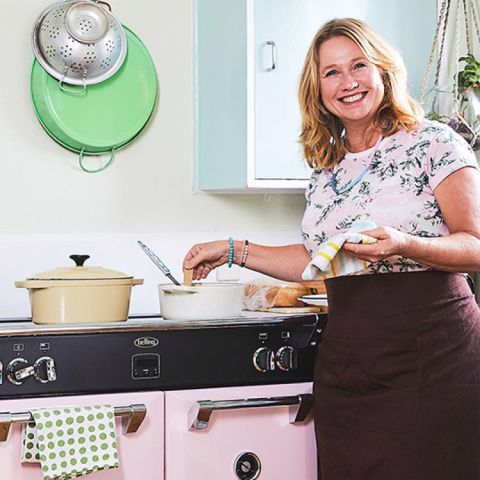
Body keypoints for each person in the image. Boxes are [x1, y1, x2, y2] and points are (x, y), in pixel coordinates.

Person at [183, 17, 480, 480]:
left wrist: (405, 244)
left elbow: (476, 245)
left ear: (382, 71)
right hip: (351, 363)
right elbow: (318, 260)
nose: (348, 82)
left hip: (434, 356)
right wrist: (233, 249)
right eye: (332, 72)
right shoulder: (327, 169)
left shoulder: (433, 143)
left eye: (358, 65)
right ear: (317, 88)